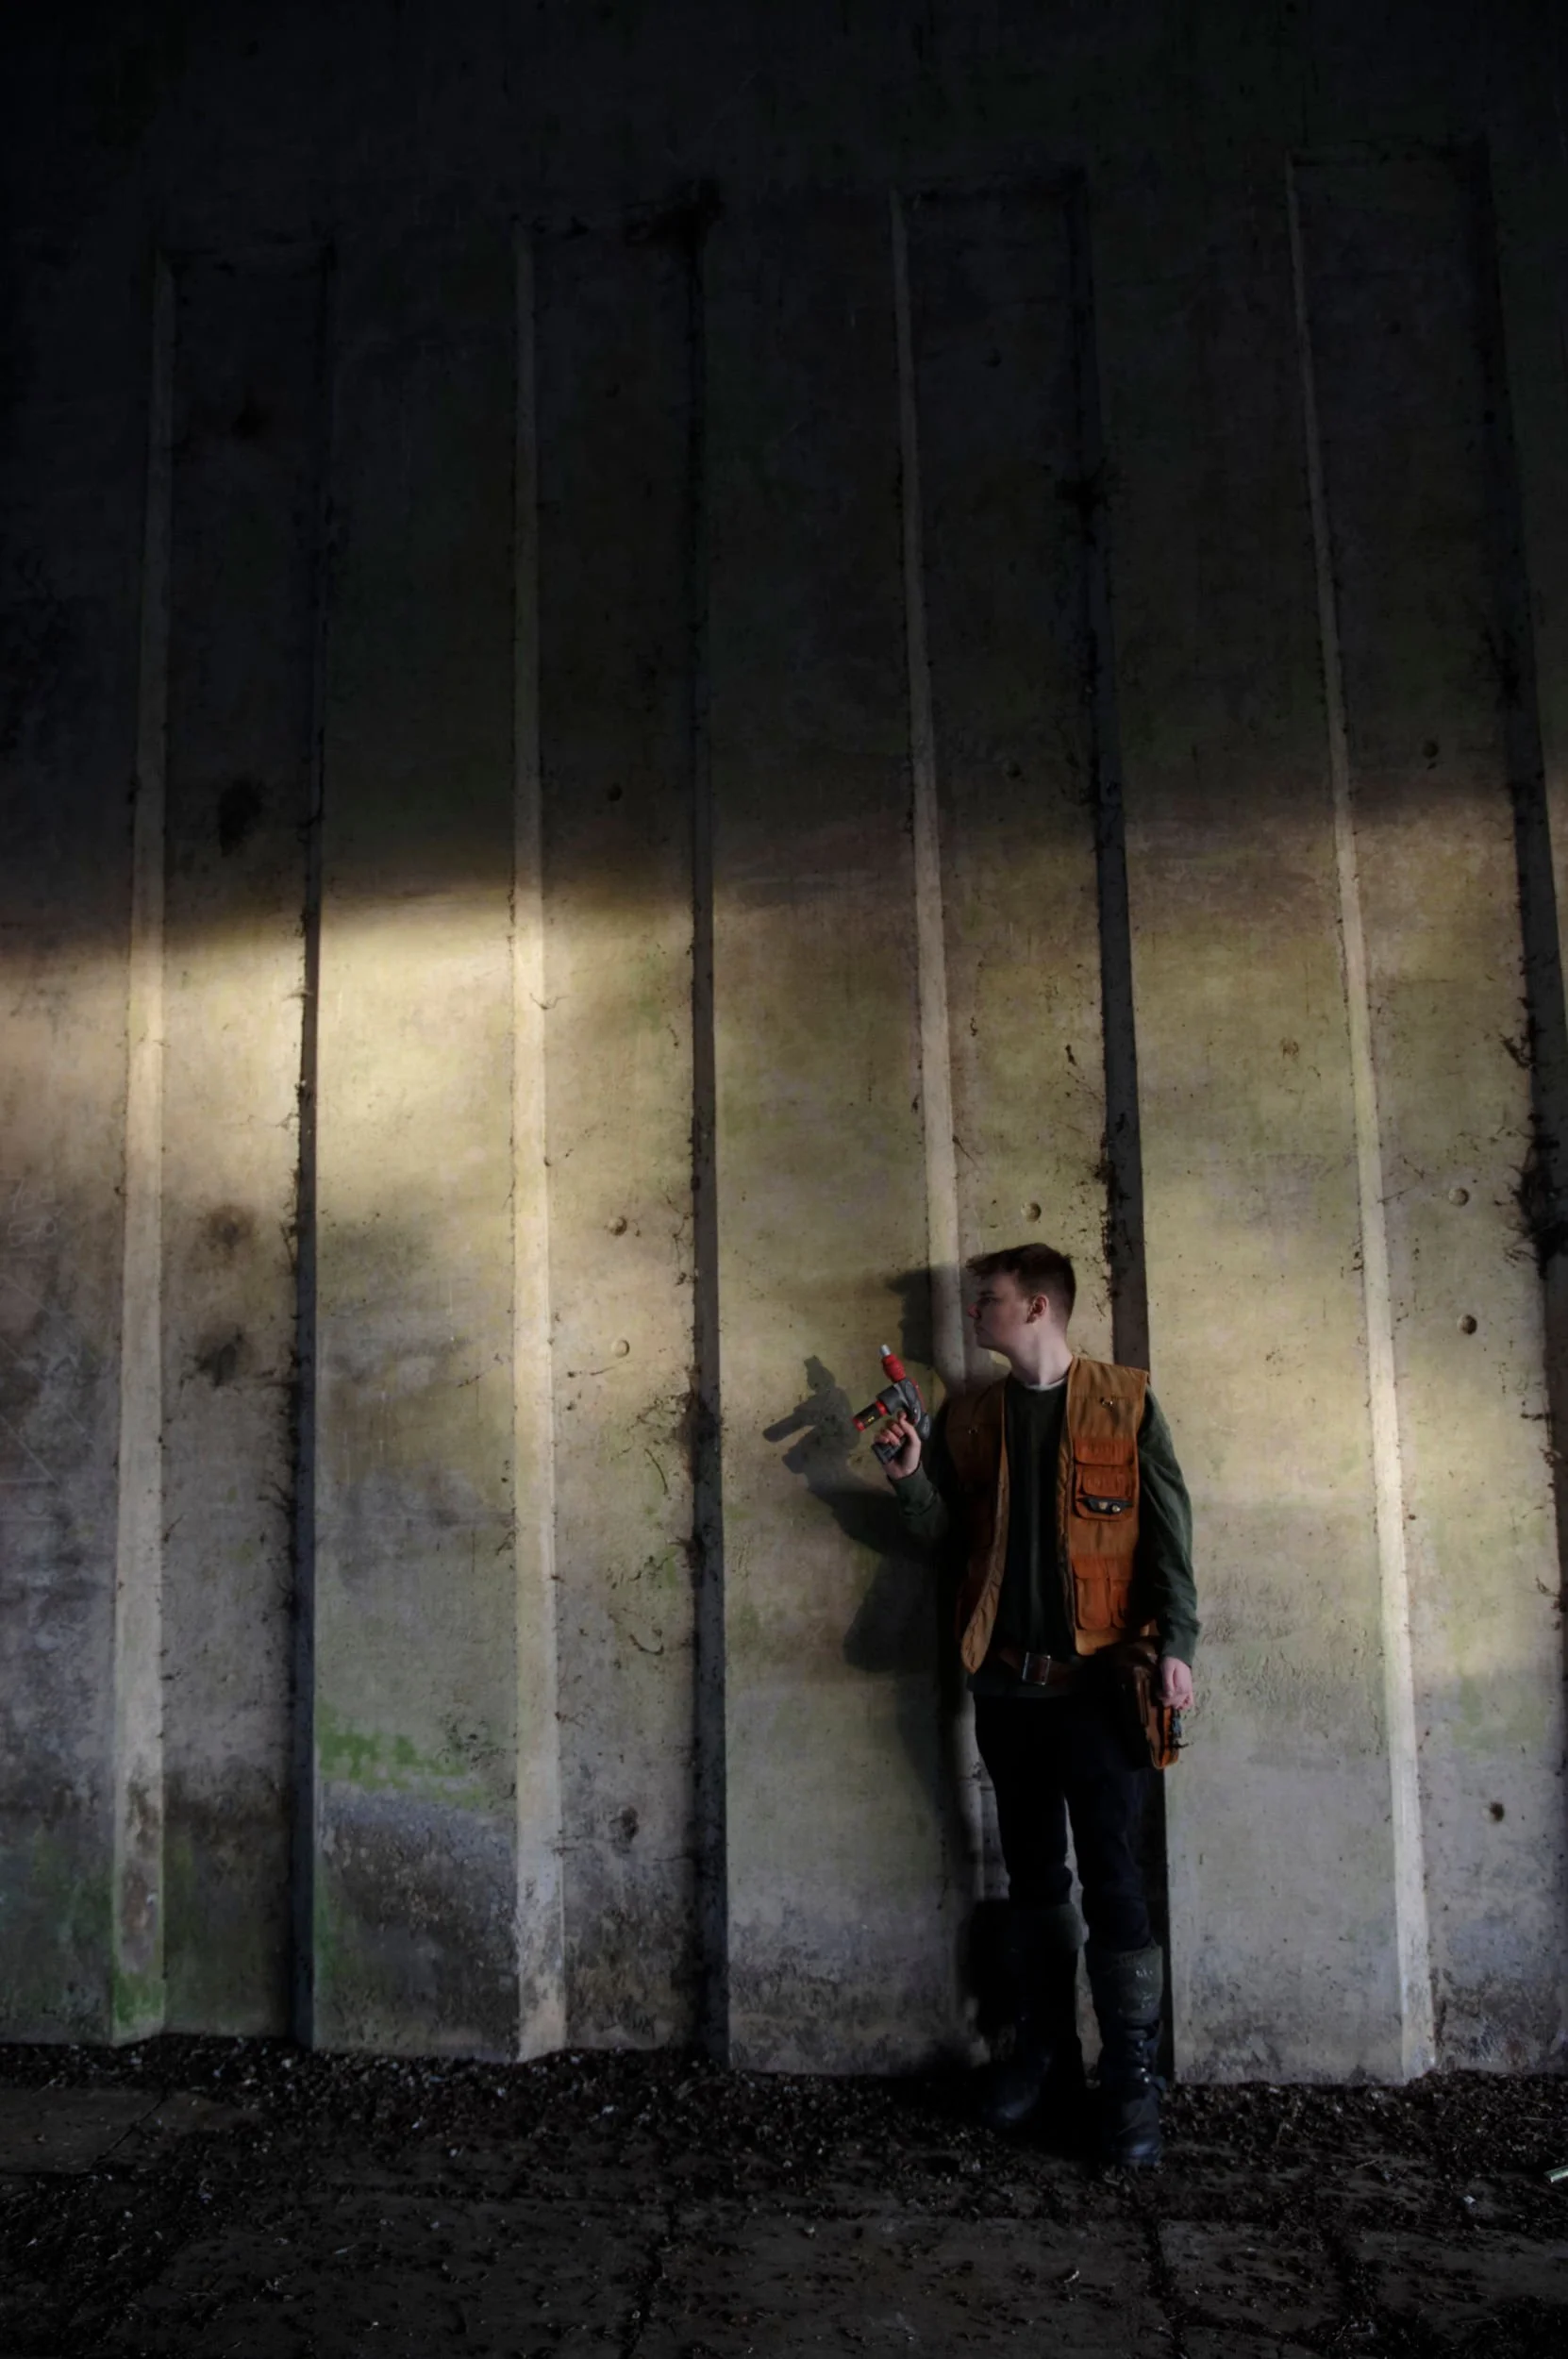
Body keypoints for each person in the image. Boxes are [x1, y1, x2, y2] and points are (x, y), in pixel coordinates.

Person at [879, 1242, 1197, 2167]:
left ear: (1038, 1311)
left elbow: (1172, 1538)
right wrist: (908, 1477)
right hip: (1006, 1690)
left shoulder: (1124, 1402)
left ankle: (1131, 2080)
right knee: (1032, 1883)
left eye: (990, 1301)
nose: (975, 1315)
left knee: (1115, 1884)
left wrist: (1177, 1647)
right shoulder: (972, 1417)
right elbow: (946, 1538)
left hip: (1100, 1690)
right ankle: (1046, 2056)